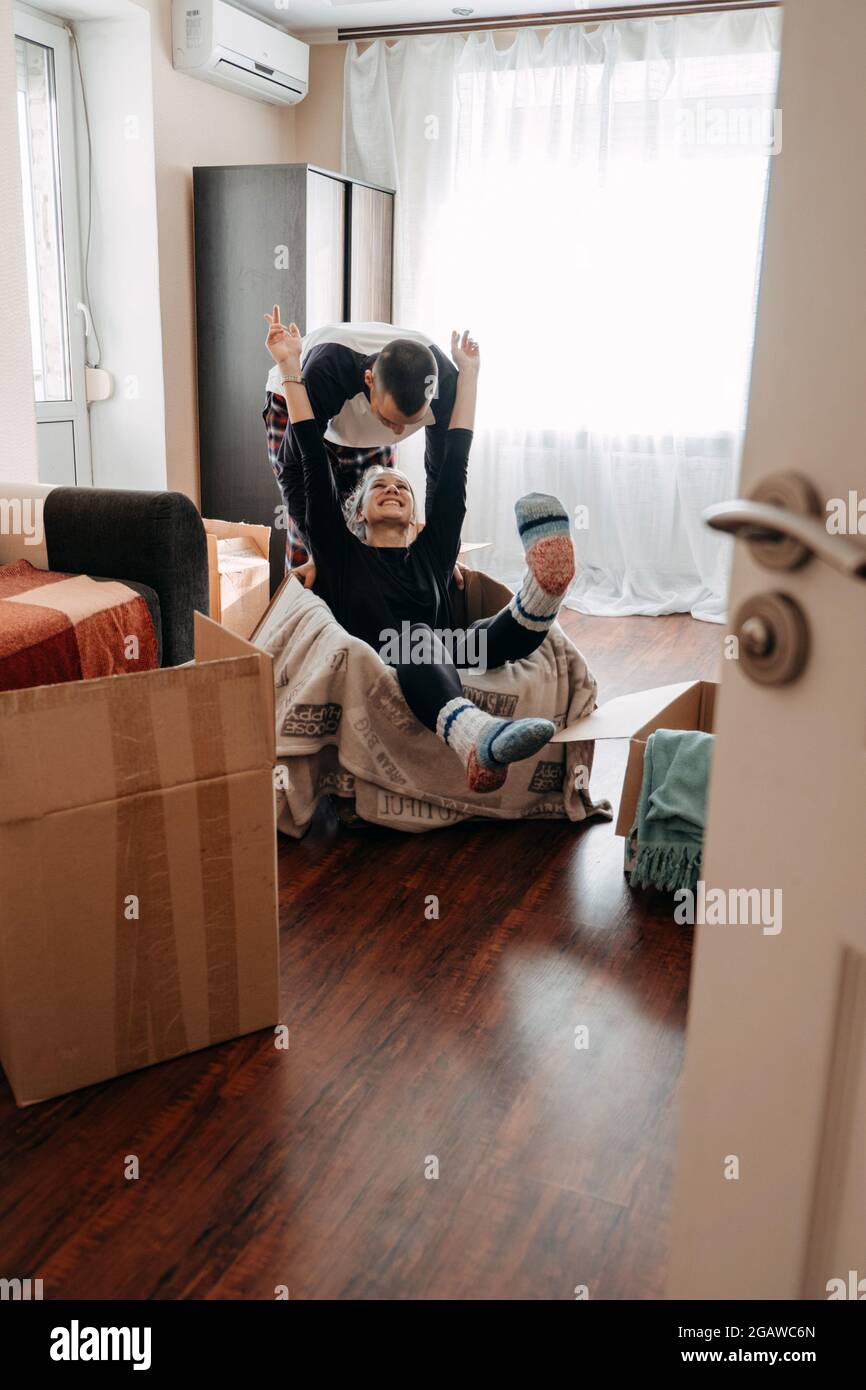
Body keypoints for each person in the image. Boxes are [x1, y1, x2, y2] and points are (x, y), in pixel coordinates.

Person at [264, 313, 576, 794]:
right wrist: (289, 365)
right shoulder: (341, 553)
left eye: (401, 485)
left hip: (445, 650)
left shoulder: (433, 553)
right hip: (392, 652)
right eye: (380, 486)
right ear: (358, 513)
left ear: (416, 517)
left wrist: (470, 374)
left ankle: (542, 594)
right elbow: (305, 458)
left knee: (491, 638)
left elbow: (453, 469)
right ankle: (476, 735)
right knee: (421, 642)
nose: (392, 485)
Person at [263, 316, 459, 577]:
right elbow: (294, 473)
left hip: (356, 419)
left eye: (408, 423)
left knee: (373, 522)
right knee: (317, 541)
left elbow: (441, 475)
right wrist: (319, 555)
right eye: (391, 420)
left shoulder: (445, 386)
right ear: (368, 380)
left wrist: (439, 555)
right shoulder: (327, 371)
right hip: (297, 397)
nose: (398, 431)